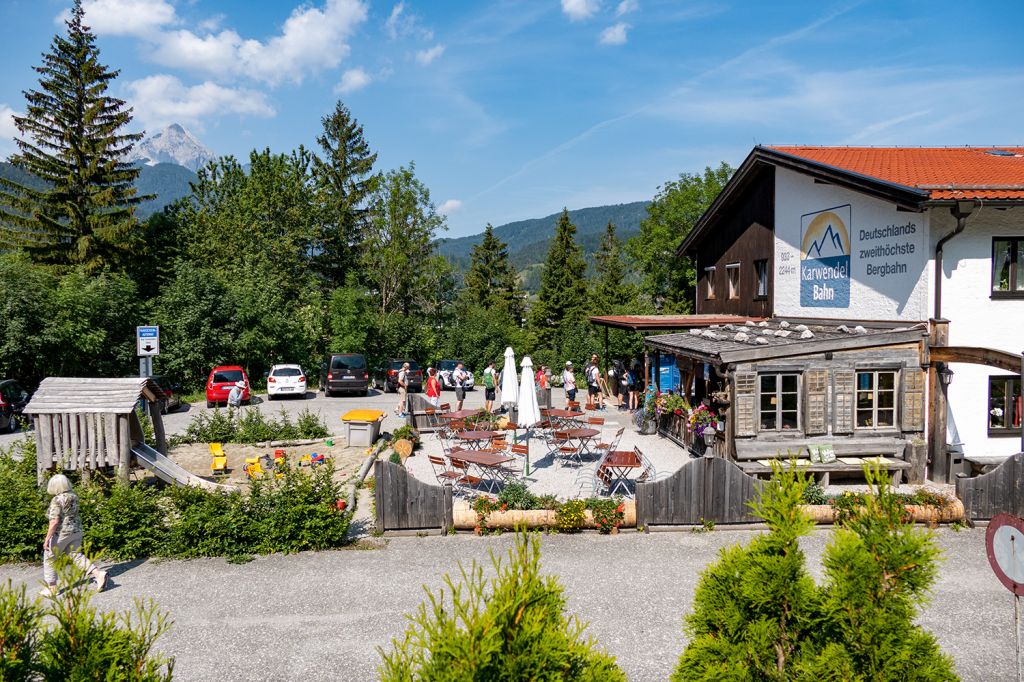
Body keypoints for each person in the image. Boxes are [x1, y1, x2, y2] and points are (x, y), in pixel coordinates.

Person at [41, 474, 107, 595]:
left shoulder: (57, 500)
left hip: (61, 533)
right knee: (75, 555)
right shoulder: (74, 496)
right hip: (76, 530)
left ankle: (52, 588)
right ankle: (98, 574)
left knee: (50, 557)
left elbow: (54, 521)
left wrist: (47, 539)